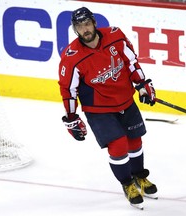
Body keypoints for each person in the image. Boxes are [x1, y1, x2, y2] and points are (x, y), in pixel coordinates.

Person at [58, 7, 157, 209]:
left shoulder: (116, 36)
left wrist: (142, 84)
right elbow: (68, 88)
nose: (84, 29)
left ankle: (139, 176)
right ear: (75, 29)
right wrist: (71, 117)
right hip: (98, 109)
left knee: (135, 141)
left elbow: (131, 62)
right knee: (119, 144)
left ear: (94, 22)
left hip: (125, 100)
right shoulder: (72, 56)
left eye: (86, 24)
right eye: (79, 26)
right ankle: (127, 184)